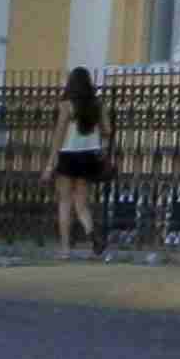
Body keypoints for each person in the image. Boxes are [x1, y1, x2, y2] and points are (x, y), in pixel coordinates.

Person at [53, 64, 110, 256]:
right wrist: (102, 145)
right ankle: (92, 234)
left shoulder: (67, 106)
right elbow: (107, 130)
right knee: (81, 204)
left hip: (68, 155)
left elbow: (59, 135)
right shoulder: (98, 104)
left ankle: (65, 249)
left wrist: (51, 160)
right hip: (89, 155)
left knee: (65, 202)